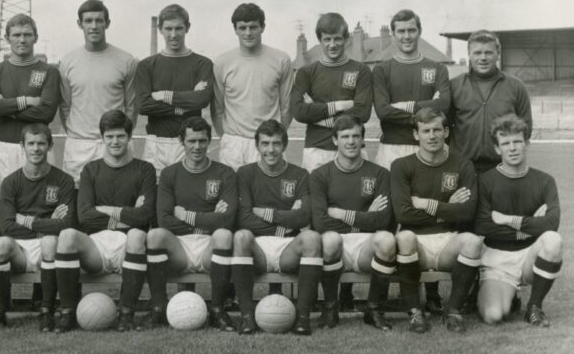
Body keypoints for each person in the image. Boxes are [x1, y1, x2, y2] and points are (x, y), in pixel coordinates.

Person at [372, 9, 451, 312]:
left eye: (411, 30)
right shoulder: (382, 69)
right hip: (392, 148)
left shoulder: (435, 67)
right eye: (400, 31)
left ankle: (431, 294)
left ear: (420, 31)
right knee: (391, 217)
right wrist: (424, 110)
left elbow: (443, 105)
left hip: (428, 152)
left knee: (425, 217)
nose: (406, 36)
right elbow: (382, 111)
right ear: (393, 34)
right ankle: (384, 294)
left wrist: (407, 107)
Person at [56, 110, 156, 331]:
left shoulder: (145, 170)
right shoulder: (91, 170)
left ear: (130, 138)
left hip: (128, 246)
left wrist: (106, 210)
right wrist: (126, 214)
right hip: (96, 248)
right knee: (67, 235)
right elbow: (85, 216)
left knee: (138, 234)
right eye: (109, 136)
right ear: (102, 139)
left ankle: (126, 314)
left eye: (120, 136)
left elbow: (145, 215)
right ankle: (67, 312)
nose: (115, 141)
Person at [391, 107, 482, 333]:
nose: (432, 136)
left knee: (472, 242)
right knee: (404, 237)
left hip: (448, 241)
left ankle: (453, 311)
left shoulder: (463, 165)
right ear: (416, 135)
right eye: (425, 131)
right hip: (417, 243)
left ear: (446, 132)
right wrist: (448, 205)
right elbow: (403, 214)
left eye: (437, 130)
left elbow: (467, 213)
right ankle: (415, 313)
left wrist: (426, 204)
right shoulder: (401, 166)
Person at [147, 117, 238, 331]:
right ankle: (159, 308)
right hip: (178, 247)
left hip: (210, 246)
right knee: (155, 235)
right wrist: (209, 219)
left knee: (224, 235)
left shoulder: (225, 173)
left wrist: (187, 216)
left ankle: (217, 310)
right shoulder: (170, 174)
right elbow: (165, 220)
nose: (197, 147)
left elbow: (226, 220)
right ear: (182, 141)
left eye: (202, 141)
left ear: (209, 141)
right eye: (191, 141)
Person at [0, 123, 76, 332]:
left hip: (49, 247)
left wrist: (25, 220)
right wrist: (49, 223)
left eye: (41, 144)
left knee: (50, 241)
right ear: (22, 146)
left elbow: (66, 225)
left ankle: (46, 311)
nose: (36, 149)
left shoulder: (64, 181)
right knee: (0, 243)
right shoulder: (10, 182)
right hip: (19, 250)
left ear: (50, 146)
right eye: (31, 143)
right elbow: (7, 226)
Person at [310, 115, 397, 331]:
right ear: (334, 140)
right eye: (345, 136)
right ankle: (331, 308)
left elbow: (385, 221)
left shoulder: (380, 174)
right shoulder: (320, 175)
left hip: (366, 246)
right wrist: (366, 216)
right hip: (335, 246)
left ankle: (374, 309)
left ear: (363, 140)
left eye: (356, 136)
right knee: (328, 238)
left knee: (386, 240)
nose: (351, 142)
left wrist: (340, 214)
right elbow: (320, 223)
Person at [233, 120, 320, 335]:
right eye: (265, 143)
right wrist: (286, 222)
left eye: (276, 143)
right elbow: (243, 218)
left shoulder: (300, 175)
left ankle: (302, 318)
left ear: (285, 145)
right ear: (257, 145)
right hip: (257, 249)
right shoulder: (245, 173)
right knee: (241, 236)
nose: (270, 150)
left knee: (311, 238)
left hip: (288, 249)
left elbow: (304, 216)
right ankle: (246, 317)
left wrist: (266, 213)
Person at [475, 114, 562, 327]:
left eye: (517, 141)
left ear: (527, 143)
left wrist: (507, 220)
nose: (512, 148)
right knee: (493, 316)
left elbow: (551, 224)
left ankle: (534, 307)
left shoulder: (545, 181)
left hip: (529, 256)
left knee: (552, 240)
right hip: (497, 258)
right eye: (506, 143)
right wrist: (531, 224)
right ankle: (507, 295)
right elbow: (483, 225)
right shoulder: (485, 181)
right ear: (497, 149)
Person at [0, 13, 60, 230]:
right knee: (3, 202)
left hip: (37, 147)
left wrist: (5, 107)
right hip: (4, 147)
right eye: (16, 35)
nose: (22, 40)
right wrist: (25, 102)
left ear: (36, 37)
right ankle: (5, 248)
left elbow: (46, 113)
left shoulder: (49, 71)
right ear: (8, 38)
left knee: (42, 202)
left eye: (27, 34)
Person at [59, 0, 138, 186]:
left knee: (119, 200)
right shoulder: (68, 62)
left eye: (99, 20)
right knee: (79, 204)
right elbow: (64, 106)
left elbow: (132, 106)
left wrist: (120, 137)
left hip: (114, 142)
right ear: (80, 24)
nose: (93, 26)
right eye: (88, 21)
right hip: (79, 145)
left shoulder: (126, 60)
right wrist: (77, 133)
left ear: (107, 23)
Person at [211, 2, 294, 171]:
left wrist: (273, 136)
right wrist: (227, 138)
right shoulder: (222, 62)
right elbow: (217, 109)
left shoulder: (281, 60)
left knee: (270, 195)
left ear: (262, 27)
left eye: (253, 27)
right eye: (242, 28)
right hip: (234, 144)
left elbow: (287, 107)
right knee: (232, 196)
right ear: (235, 30)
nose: (248, 33)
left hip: (268, 142)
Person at [136, 4, 213, 181]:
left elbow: (201, 100)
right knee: (155, 200)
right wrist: (182, 107)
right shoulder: (146, 65)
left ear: (187, 28)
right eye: (168, 28)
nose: (173, 34)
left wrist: (164, 95)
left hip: (189, 142)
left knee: (187, 197)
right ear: (160, 29)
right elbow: (143, 105)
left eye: (179, 28)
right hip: (156, 142)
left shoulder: (202, 63)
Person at [291, 12, 373, 172]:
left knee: (356, 197)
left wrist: (318, 115)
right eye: (327, 39)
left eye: (337, 38)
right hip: (317, 150)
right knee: (317, 197)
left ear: (346, 38)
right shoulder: (306, 72)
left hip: (353, 148)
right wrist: (340, 105)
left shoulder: (361, 70)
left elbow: (362, 112)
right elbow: (300, 112)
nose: (332, 44)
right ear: (320, 40)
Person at [450, 30, 533, 174]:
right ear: (469, 54)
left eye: (488, 52)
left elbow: (526, 128)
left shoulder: (516, 86)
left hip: (503, 168)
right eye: (477, 53)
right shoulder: (454, 86)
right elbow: (444, 126)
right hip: (463, 168)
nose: (483, 58)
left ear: (498, 54)